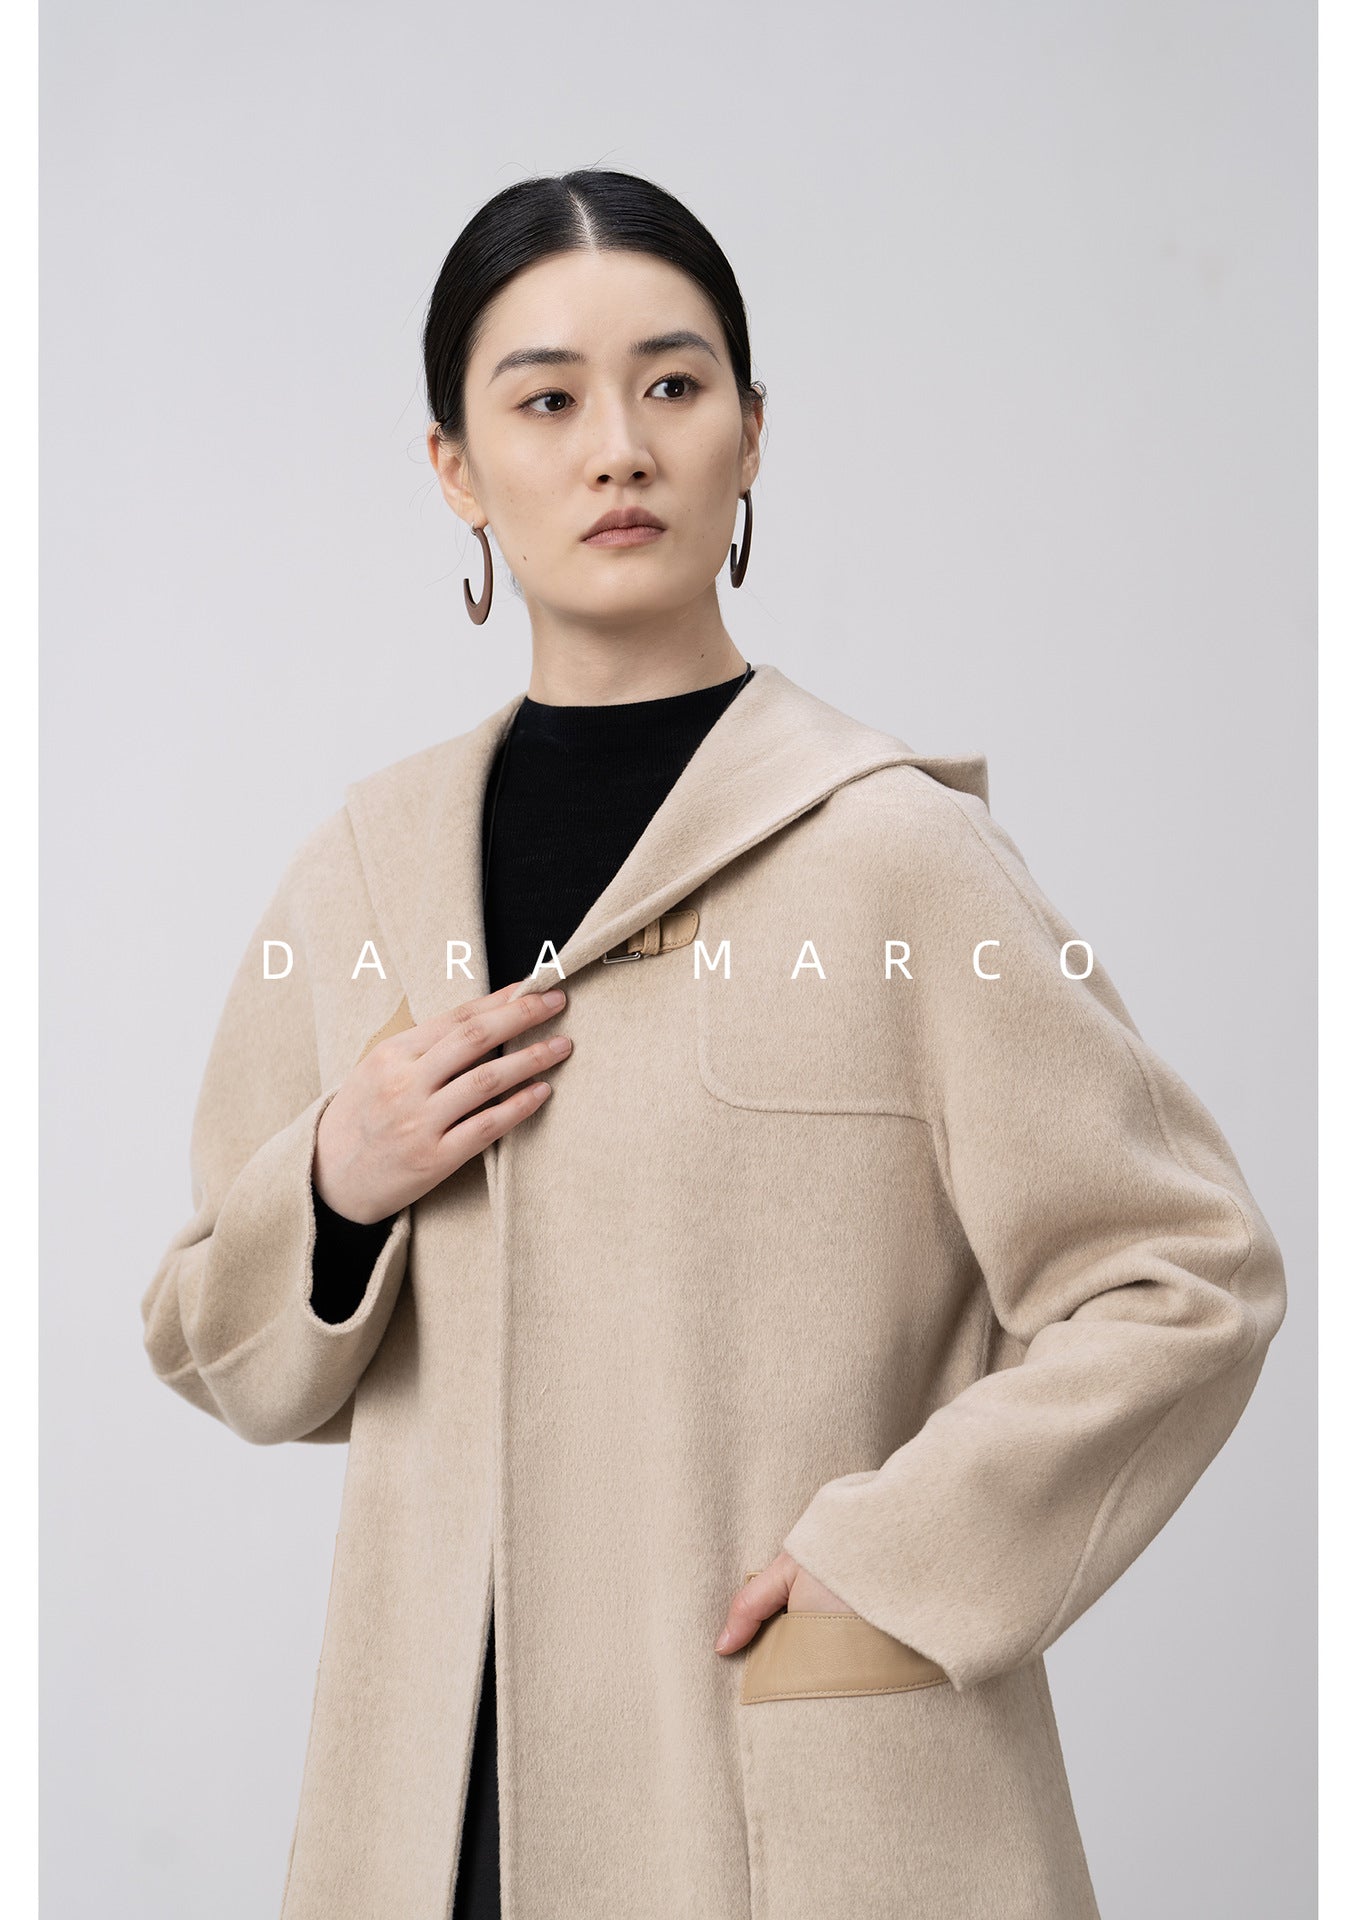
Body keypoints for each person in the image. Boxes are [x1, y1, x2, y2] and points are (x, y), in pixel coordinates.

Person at [142, 169, 1287, 1920]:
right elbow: (214, 1348)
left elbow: (1186, 1274)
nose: (620, 449)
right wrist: (335, 1185)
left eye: (673, 386)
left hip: (776, 1815)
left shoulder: (897, 850)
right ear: (455, 466)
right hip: (434, 1832)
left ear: (752, 435)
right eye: (546, 401)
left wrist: (892, 1572)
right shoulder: (366, 867)